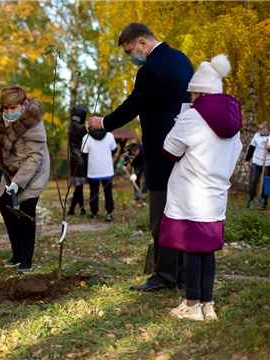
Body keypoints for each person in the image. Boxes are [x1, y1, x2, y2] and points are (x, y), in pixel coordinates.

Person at [87, 22, 194, 291]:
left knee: (161, 217)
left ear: (142, 44)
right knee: (181, 213)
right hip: (186, 147)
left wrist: (105, 122)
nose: (130, 57)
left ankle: (164, 277)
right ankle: (180, 273)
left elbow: (133, 105)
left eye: (129, 51)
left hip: (162, 150)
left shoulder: (151, 70)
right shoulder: (182, 59)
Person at [160, 54, 242, 320]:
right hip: (216, 193)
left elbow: (170, 151)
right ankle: (208, 304)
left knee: (192, 249)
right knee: (207, 249)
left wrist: (178, 126)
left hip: (191, 192)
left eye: (192, 94)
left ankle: (192, 305)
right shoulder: (235, 121)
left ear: (198, 93)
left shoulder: (193, 117)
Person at [0, 85, 50, 274]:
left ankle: (26, 260)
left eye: (13, 108)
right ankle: (16, 254)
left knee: (26, 211)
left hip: (32, 171)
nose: (8, 113)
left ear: (23, 105)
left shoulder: (33, 122)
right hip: (10, 169)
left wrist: (19, 182)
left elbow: (35, 157)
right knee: (5, 206)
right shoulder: (0, 118)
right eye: (6, 108)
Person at [81, 127, 117, 221]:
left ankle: (94, 213)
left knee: (94, 192)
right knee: (108, 192)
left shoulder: (86, 137)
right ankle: (109, 213)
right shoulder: (110, 136)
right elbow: (114, 150)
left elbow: (84, 154)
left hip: (93, 170)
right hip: (107, 169)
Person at [67, 105, 89, 216]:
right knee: (79, 187)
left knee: (79, 187)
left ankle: (82, 209)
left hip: (74, 158)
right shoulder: (79, 128)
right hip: (80, 160)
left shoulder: (72, 125)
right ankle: (72, 209)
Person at [243, 120, 270, 209]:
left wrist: (269, 149)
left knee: (265, 184)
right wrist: (247, 160)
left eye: (261, 129)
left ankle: (263, 203)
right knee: (252, 183)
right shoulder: (256, 136)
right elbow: (251, 148)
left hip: (267, 163)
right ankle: (251, 202)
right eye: (258, 129)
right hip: (256, 162)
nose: (259, 131)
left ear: (266, 129)